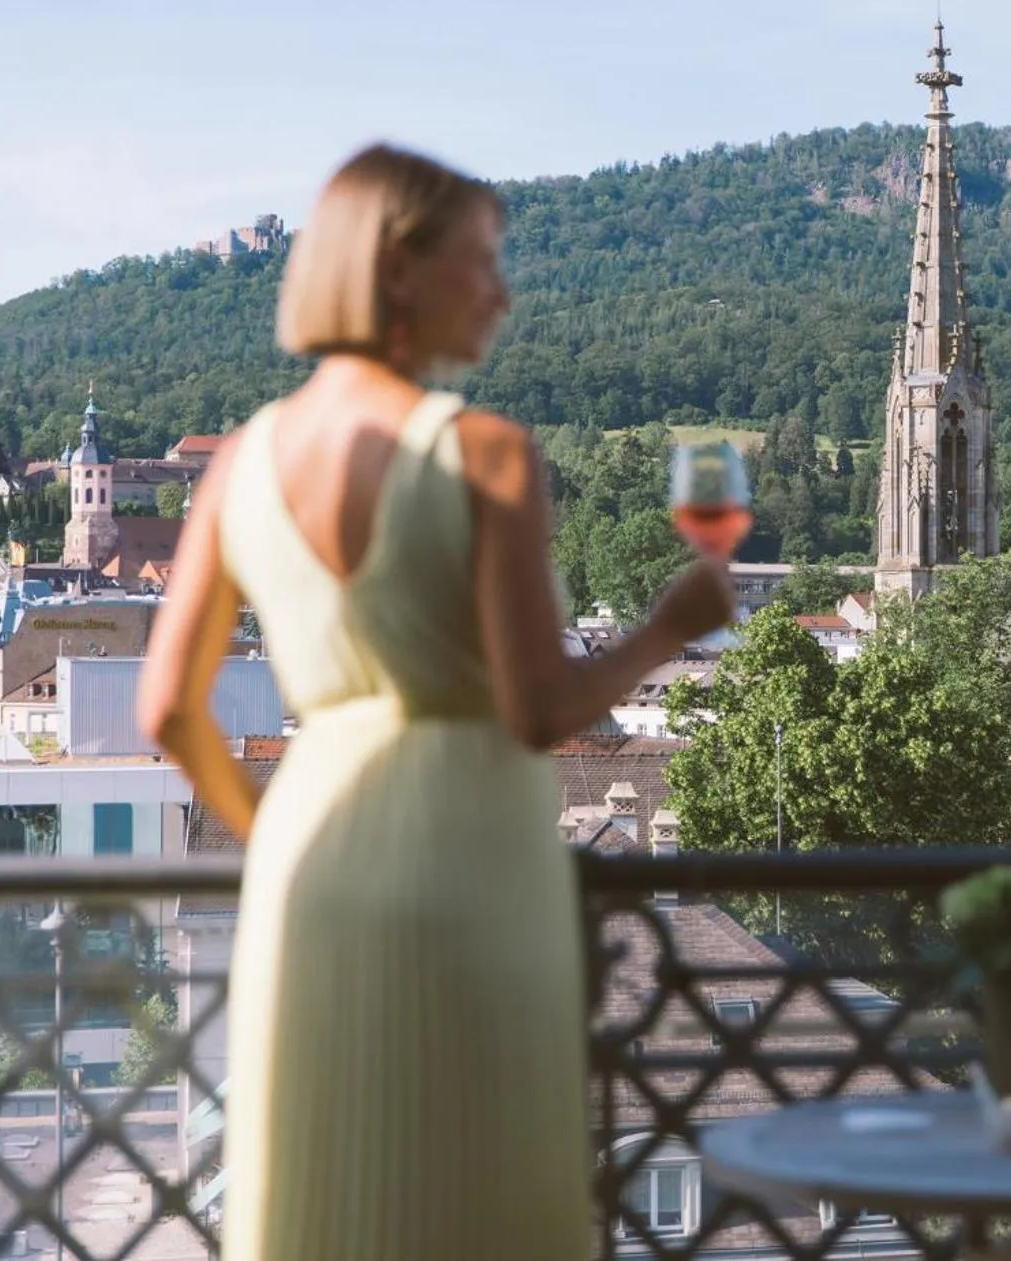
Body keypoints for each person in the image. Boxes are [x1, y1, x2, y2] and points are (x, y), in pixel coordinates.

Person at [137, 144, 735, 1259]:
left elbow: (167, 707)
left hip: (311, 865)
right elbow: (536, 710)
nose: (501, 293)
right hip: (468, 861)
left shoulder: (241, 462)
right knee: (479, 1185)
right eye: (484, 262)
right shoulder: (484, 453)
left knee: (329, 1184)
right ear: (400, 270)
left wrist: (275, 840)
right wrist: (666, 630)